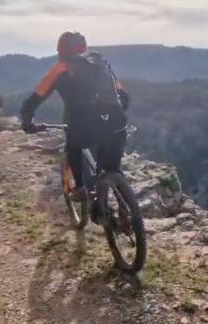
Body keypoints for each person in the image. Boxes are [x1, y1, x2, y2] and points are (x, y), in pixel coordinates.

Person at [20, 31, 130, 201]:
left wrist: (27, 121)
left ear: (62, 50)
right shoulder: (99, 62)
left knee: (73, 146)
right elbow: (121, 93)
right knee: (112, 168)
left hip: (84, 125)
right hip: (116, 121)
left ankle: (80, 188)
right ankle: (128, 207)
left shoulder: (61, 68)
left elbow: (36, 97)